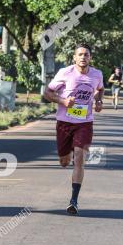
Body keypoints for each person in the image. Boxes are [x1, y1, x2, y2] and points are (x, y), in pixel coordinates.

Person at [43, 44, 104, 215]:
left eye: (87, 54)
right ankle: (67, 153)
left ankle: (74, 201)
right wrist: (62, 102)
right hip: (64, 123)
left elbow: (100, 89)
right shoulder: (65, 72)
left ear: (90, 58)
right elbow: (47, 93)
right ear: (74, 58)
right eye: (80, 54)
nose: (83, 57)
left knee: (80, 158)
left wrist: (99, 101)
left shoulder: (96, 74)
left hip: (85, 123)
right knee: (64, 162)